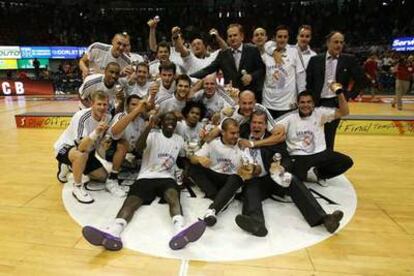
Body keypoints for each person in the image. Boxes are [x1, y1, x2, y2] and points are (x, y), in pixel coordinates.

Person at [82, 112, 206, 251]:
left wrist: (185, 172)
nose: (170, 122)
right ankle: (114, 231)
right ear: (162, 123)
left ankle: (180, 229)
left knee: (174, 197)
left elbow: (183, 159)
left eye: (173, 120)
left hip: (167, 177)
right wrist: (148, 128)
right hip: (145, 177)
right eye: (167, 119)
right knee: (131, 203)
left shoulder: (179, 139)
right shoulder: (152, 135)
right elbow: (139, 148)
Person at [236, 110, 345, 236]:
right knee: (251, 189)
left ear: (266, 125)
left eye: (260, 123)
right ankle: (257, 224)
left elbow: (287, 158)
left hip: (272, 177)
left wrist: (282, 167)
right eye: (254, 122)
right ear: (250, 124)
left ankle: (324, 219)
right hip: (253, 179)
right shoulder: (242, 134)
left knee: (291, 179)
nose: (256, 126)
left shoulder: (273, 139)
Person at [275, 88, 353, 187]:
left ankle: (320, 174)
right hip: (299, 156)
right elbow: (274, 130)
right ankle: (305, 174)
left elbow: (344, 112)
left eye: (309, 102)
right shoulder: (290, 118)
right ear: (297, 104)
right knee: (295, 180)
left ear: (313, 104)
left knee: (346, 162)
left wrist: (340, 93)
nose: (305, 105)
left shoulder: (320, 113)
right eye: (302, 102)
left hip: (321, 153)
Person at [189, 118, 256, 226]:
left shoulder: (242, 145)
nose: (236, 136)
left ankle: (211, 211)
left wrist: (250, 168)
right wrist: (199, 159)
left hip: (230, 179)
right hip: (214, 175)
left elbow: (251, 165)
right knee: (193, 167)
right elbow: (193, 158)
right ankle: (221, 197)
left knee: (237, 178)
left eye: (237, 133)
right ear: (223, 132)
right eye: (232, 133)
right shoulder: (213, 143)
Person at [306, 31, 364, 150]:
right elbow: (309, 83)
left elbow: (361, 80)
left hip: (335, 103)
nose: (339, 45)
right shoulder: (315, 60)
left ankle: (326, 165)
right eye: (336, 42)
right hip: (317, 103)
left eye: (341, 42)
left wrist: (348, 95)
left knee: (329, 137)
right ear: (328, 43)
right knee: (313, 135)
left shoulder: (349, 60)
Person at [54, 90, 112, 204]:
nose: (102, 107)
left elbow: (98, 144)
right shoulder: (82, 117)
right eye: (99, 104)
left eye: (104, 104)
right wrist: (96, 131)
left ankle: (71, 166)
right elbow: (81, 147)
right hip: (66, 147)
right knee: (81, 155)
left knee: (102, 176)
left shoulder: (108, 117)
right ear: (92, 104)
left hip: (87, 149)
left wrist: (105, 142)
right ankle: (77, 187)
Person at [191, 23, 265, 102]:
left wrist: (251, 76)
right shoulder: (223, 54)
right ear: (227, 39)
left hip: (250, 96)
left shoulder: (252, 50)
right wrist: (189, 76)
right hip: (231, 98)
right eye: (230, 36)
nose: (232, 38)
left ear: (242, 36)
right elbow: (207, 70)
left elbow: (262, 69)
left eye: (235, 35)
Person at [105, 95, 148, 197]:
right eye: (133, 105)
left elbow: (139, 145)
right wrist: (135, 112)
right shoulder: (120, 116)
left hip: (131, 153)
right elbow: (115, 133)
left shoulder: (141, 121)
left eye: (139, 105)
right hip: (112, 150)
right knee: (123, 143)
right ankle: (112, 179)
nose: (137, 107)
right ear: (127, 106)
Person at [261, 25, 306, 119]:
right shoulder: (266, 54)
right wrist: (273, 51)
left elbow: (300, 77)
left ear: (288, 38)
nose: (282, 39)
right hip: (268, 103)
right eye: (280, 37)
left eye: (285, 37)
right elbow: (265, 44)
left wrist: (302, 98)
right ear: (274, 38)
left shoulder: (294, 52)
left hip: (288, 104)